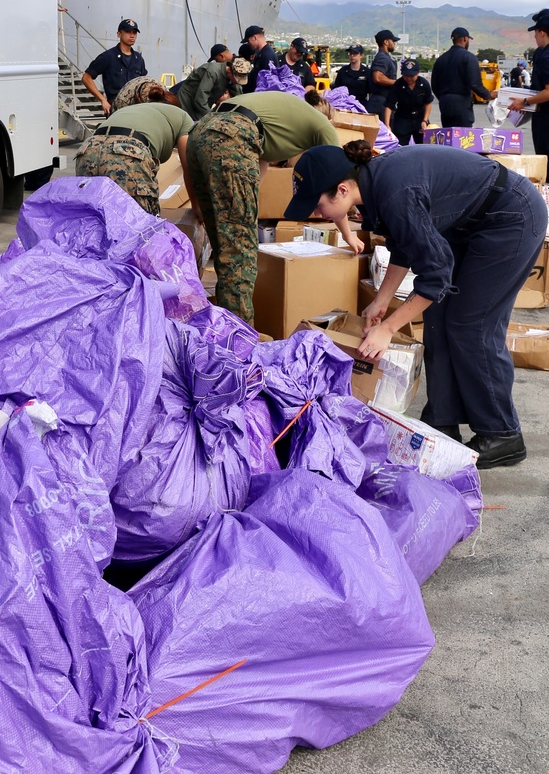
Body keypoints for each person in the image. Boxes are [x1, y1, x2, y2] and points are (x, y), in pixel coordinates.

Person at [285, 140, 547, 469]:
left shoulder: (394, 191)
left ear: (341, 190)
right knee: (437, 317)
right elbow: (404, 244)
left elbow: (435, 274)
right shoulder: (371, 186)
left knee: (472, 323)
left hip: (511, 217)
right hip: (470, 222)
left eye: (317, 204)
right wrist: (381, 301)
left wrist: (388, 328)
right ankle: (444, 420)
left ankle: (502, 433)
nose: (317, 213)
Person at [185, 91, 341, 324]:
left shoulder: (278, 120)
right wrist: (347, 232)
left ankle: (223, 327)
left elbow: (258, 171)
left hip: (201, 131)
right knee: (239, 253)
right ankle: (240, 341)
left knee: (224, 246)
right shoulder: (323, 127)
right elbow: (338, 184)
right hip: (231, 136)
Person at [74, 86, 199, 217]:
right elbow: (189, 166)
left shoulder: (130, 109)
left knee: (92, 218)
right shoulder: (182, 116)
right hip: (128, 151)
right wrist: (197, 207)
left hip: (88, 149)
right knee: (140, 222)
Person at [81, 19, 147, 116]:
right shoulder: (108, 57)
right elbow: (86, 78)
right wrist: (103, 100)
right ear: (119, 34)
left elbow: (143, 84)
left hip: (136, 111)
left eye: (134, 32)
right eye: (128, 32)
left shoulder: (139, 59)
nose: (132, 35)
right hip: (116, 111)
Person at [430, 27, 491, 127]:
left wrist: (444, 98)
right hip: (461, 103)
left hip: (445, 103)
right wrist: (488, 95)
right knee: (463, 137)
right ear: (465, 39)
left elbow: (434, 85)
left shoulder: (441, 59)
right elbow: (475, 84)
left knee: (449, 136)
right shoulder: (469, 57)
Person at [510, 9, 549, 157]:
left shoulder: (545, 56)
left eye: (536, 32)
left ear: (542, 32)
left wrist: (525, 102)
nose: (534, 36)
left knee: (544, 157)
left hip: (545, 116)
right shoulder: (541, 53)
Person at [175, 55, 251, 119]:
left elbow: (238, 95)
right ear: (230, 72)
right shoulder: (213, 72)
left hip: (204, 101)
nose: (237, 82)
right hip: (189, 99)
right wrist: (212, 118)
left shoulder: (231, 76)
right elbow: (200, 99)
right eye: (236, 80)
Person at [384, 59, 434, 145]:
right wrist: (387, 125)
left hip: (419, 118)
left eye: (412, 76)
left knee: (423, 146)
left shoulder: (424, 84)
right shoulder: (398, 84)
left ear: (418, 73)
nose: (409, 78)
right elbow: (389, 105)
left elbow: (428, 103)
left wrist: (425, 120)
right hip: (403, 118)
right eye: (406, 75)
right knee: (401, 147)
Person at [365, 30, 400, 116]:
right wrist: (397, 83)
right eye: (393, 41)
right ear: (386, 42)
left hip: (383, 101)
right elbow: (377, 77)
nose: (394, 43)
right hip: (380, 103)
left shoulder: (385, 57)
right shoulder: (382, 57)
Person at [238, 25, 277, 92]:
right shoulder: (262, 53)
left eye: (248, 41)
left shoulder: (266, 55)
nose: (248, 44)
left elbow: (267, 83)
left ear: (254, 37)